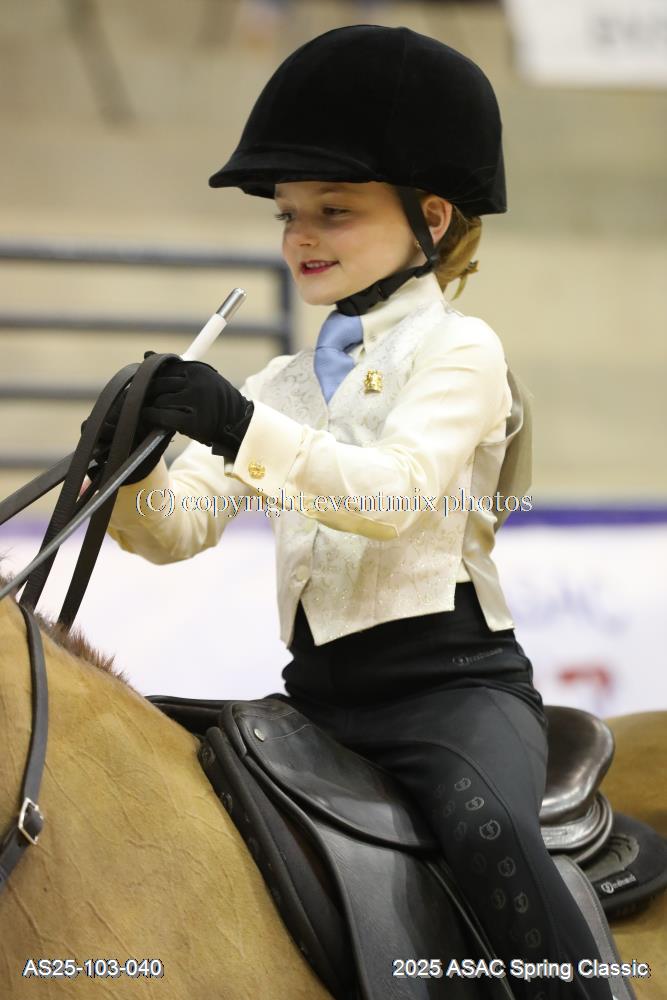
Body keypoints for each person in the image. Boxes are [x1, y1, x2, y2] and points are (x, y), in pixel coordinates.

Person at [105, 26, 617, 1000]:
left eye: (332, 211)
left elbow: (389, 496)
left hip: (451, 696)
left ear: (432, 216)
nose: (298, 237)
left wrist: (234, 423)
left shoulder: (461, 351)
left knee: (487, 834)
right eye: (288, 215)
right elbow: (175, 530)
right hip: (316, 700)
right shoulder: (281, 383)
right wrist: (129, 463)